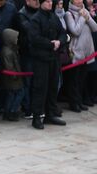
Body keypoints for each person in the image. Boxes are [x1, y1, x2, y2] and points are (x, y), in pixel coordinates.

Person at [28, 0, 67, 128]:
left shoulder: (54, 17)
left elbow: (62, 32)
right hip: (41, 59)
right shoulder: (36, 19)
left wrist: (59, 42)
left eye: (51, 1)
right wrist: (51, 44)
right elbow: (34, 38)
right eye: (48, 1)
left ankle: (50, 114)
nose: (51, 4)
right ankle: (37, 117)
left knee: (52, 87)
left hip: (54, 58)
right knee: (40, 88)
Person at [64, 0, 97, 111]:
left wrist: (87, 16)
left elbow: (95, 27)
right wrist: (83, 18)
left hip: (87, 52)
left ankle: (79, 100)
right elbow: (75, 31)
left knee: (82, 79)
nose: (80, 1)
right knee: (74, 79)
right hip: (76, 52)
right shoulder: (69, 14)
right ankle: (73, 102)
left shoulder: (84, 11)